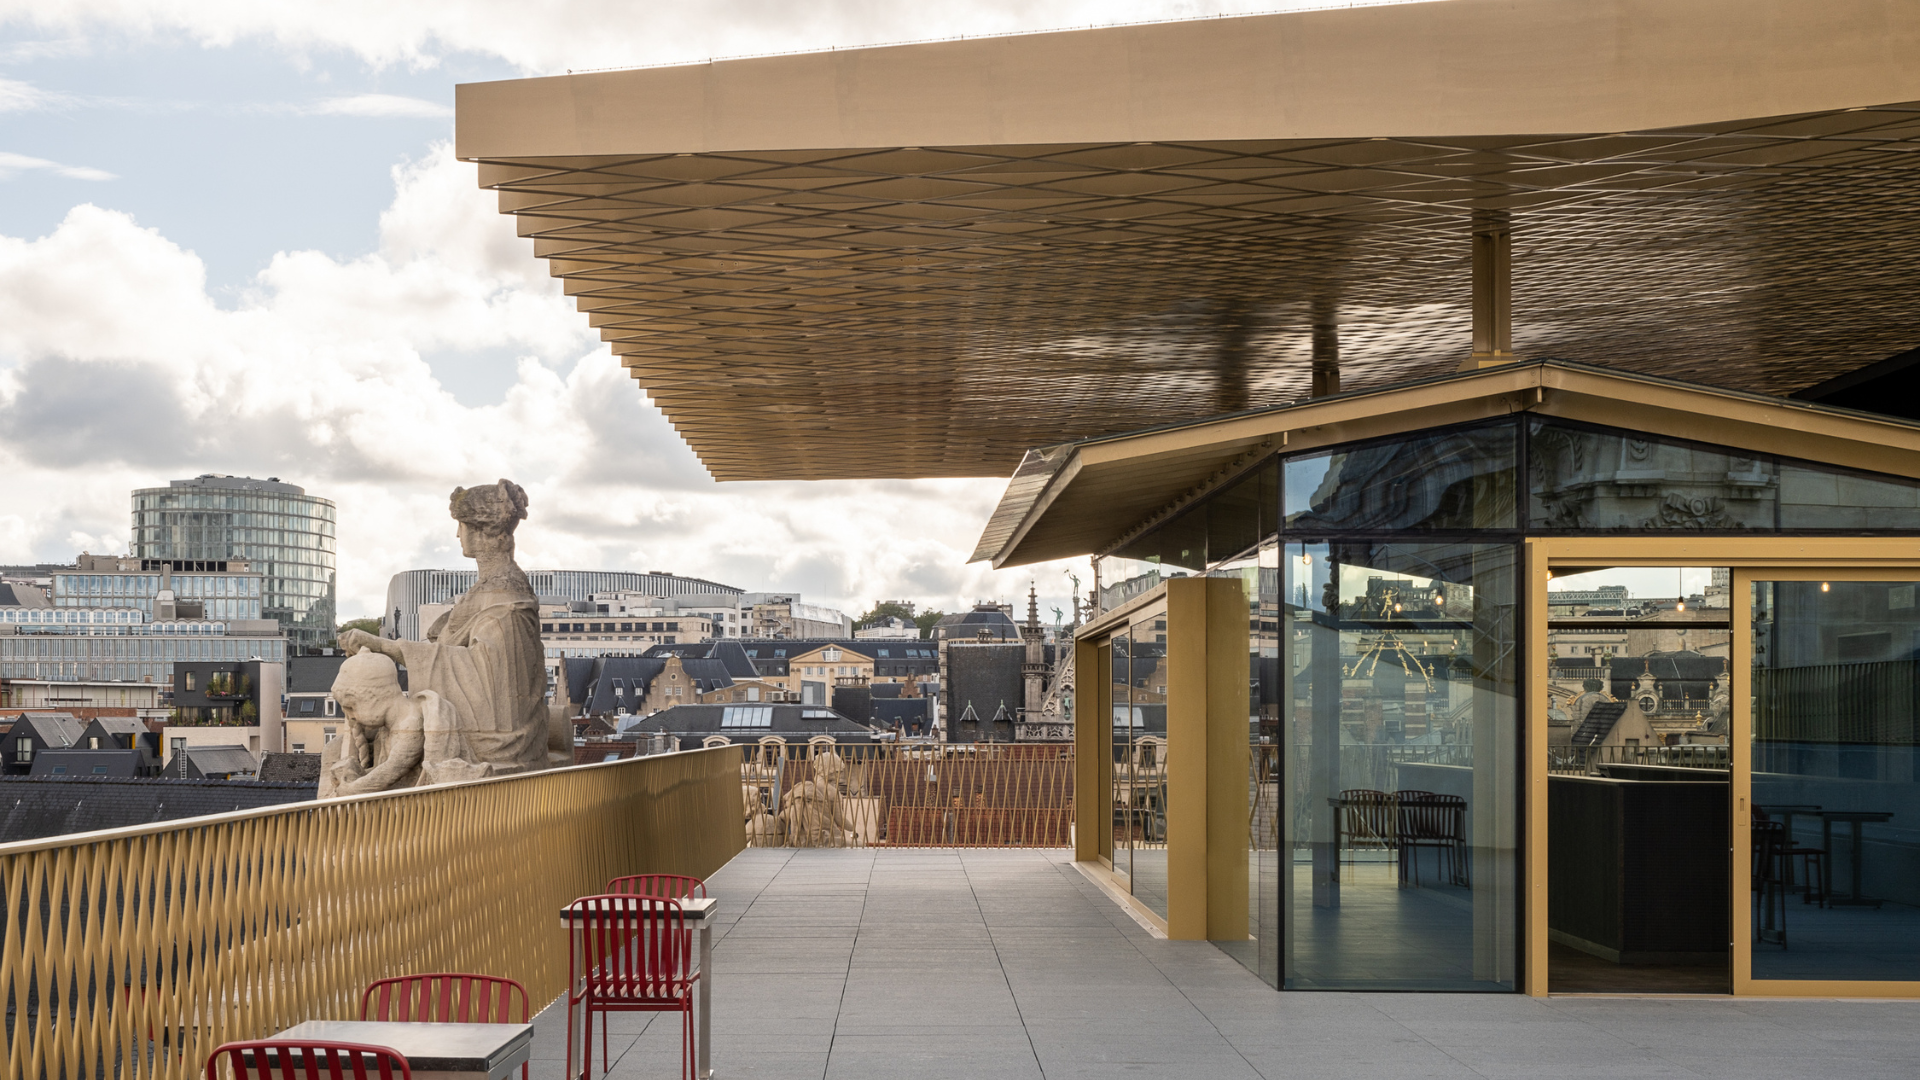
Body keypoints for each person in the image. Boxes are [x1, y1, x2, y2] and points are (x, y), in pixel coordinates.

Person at [339, 480, 550, 779]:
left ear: (479, 530)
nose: (457, 534)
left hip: (500, 744)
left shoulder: (505, 598)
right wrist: (378, 644)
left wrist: (385, 647)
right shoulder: (490, 589)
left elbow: (486, 683)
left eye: (460, 525)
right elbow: (456, 658)